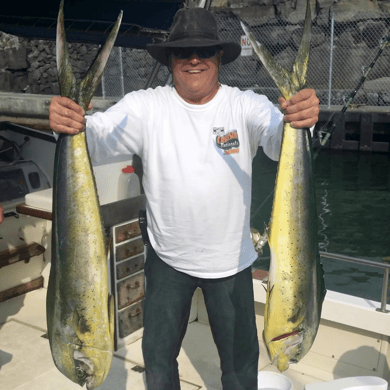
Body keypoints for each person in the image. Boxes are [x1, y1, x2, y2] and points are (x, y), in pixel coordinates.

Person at [49, 7, 319, 390]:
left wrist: (300, 117)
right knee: (158, 364)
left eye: (205, 51)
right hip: (166, 263)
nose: (194, 59)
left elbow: (279, 136)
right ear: (171, 59)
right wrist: (70, 120)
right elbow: (94, 135)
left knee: (241, 370)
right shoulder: (146, 106)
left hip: (231, 264)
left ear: (219, 56)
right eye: (183, 52)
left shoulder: (245, 105)